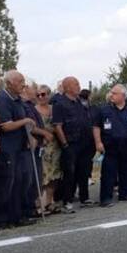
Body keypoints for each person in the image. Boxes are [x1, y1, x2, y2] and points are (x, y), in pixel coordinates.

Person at [0, 70, 38, 228]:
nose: (23, 85)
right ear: (10, 83)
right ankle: (1, 219)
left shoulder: (19, 100)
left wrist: (30, 136)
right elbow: (5, 125)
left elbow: (25, 122)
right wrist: (25, 120)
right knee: (7, 184)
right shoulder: (3, 100)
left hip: (20, 147)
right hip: (8, 148)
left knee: (22, 181)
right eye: (20, 82)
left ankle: (17, 215)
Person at [93, 84, 127, 207]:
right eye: (111, 92)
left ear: (123, 96)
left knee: (126, 172)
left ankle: (125, 195)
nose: (111, 95)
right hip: (110, 148)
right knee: (108, 174)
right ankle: (106, 198)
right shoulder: (103, 110)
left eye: (114, 93)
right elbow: (96, 127)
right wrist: (98, 142)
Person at [52, 76, 95, 212]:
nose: (79, 86)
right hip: (71, 143)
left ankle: (84, 197)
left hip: (84, 142)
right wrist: (65, 144)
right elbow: (57, 126)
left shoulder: (79, 102)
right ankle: (67, 200)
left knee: (84, 171)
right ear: (68, 87)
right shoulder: (60, 104)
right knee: (70, 173)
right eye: (76, 84)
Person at [21, 79, 51, 218]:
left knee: (37, 178)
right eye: (35, 89)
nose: (37, 93)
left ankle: (32, 207)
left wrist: (43, 135)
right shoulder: (25, 105)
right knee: (31, 179)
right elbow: (31, 126)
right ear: (27, 89)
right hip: (29, 146)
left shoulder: (31, 105)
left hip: (39, 145)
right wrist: (44, 133)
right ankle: (28, 209)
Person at [35, 85, 63, 214]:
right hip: (42, 145)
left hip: (55, 145)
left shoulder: (54, 109)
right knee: (43, 175)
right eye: (38, 95)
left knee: (54, 174)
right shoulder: (34, 110)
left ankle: (49, 202)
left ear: (49, 95)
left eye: (43, 94)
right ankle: (40, 203)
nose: (41, 97)